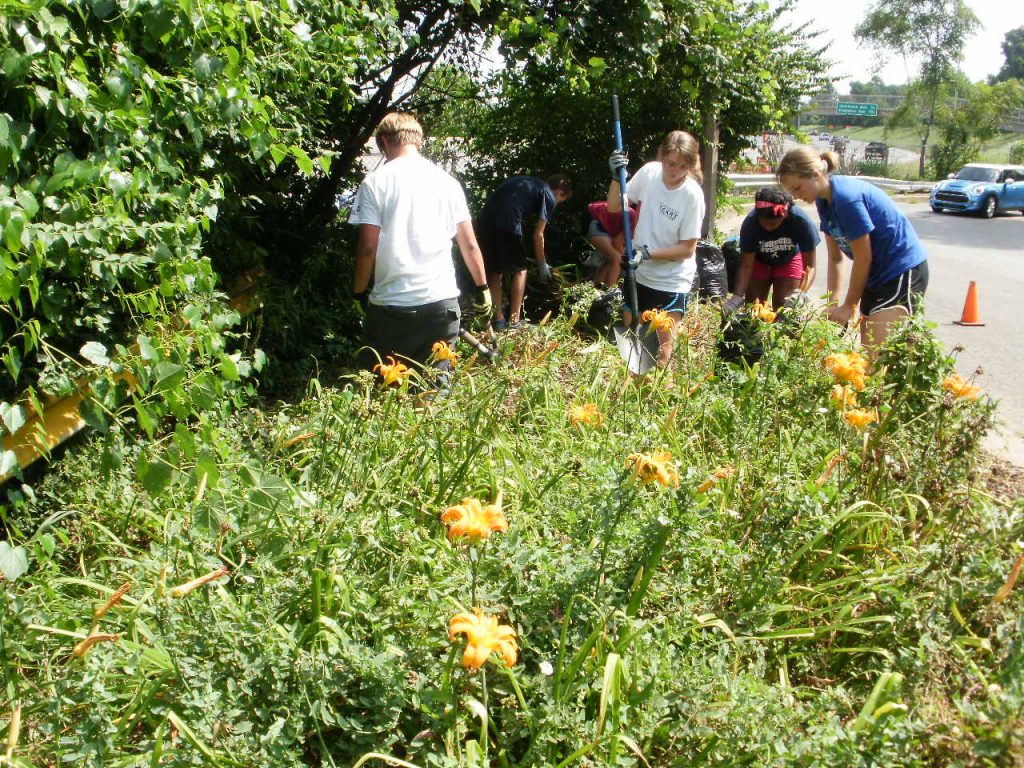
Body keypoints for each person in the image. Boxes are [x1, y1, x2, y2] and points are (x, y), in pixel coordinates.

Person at [349, 112, 490, 374]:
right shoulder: (448, 182)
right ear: (419, 141)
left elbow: (368, 248)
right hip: (441, 304)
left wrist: (359, 292)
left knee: (386, 390)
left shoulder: (374, 183)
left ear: (383, 142)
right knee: (434, 391)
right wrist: (483, 287)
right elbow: (469, 245)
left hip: (391, 308)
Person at [776, 147, 928, 355]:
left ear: (815, 175)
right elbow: (836, 258)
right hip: (875, 277)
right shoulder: (823, 201)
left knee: (878, 357)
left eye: (797, 188)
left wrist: (849, 305)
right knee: (870, 353)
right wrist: (833, 304)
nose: (795, 196)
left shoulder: (846, 199)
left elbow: (863, 257)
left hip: (900, 271)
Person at [607, 130, 705, 369]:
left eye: (683, 166)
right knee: (633, 341)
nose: (675, 171)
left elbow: (687, 249)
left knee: (662, 348)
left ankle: (660, 396)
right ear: (662, 156)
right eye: (671, 163)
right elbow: (613, 206)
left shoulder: (692, 195)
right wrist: (616, 178)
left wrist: (647, 254)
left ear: (691, 166)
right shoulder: (650, 173)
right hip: (639, 273)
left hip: (672, 279)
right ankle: (634, 395)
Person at [477, 174, 573, 330]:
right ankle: (514, 321)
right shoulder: (548, 194)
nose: (559, 203)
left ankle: (498, 320)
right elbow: (538, 234)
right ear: (560, 192)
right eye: (562, 200)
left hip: (484, 223)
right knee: (521, 270)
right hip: (507, 223)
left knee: (495, 271)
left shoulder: (530, 182)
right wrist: (542, 264)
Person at [723, 187, 819, 312]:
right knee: (754, 307)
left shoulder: (800, 221)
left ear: (784, 215)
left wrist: (801, 293)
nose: (768, 227)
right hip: (759, 261)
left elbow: (810, 267)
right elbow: (746, 266)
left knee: (785, 306)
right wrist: (736, 297)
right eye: (764, 223)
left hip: (789, 259)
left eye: (773, 224)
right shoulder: (751, 223)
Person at [580, 200, 639, 290]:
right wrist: (625, 258)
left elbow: (617, 241)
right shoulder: (635, 218)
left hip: (595, 219)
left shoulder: (632, 215)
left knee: (610, 260)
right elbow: (617, 242)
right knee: (617, 260)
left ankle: (597, 290)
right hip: (593, 220)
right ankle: (611, 296)